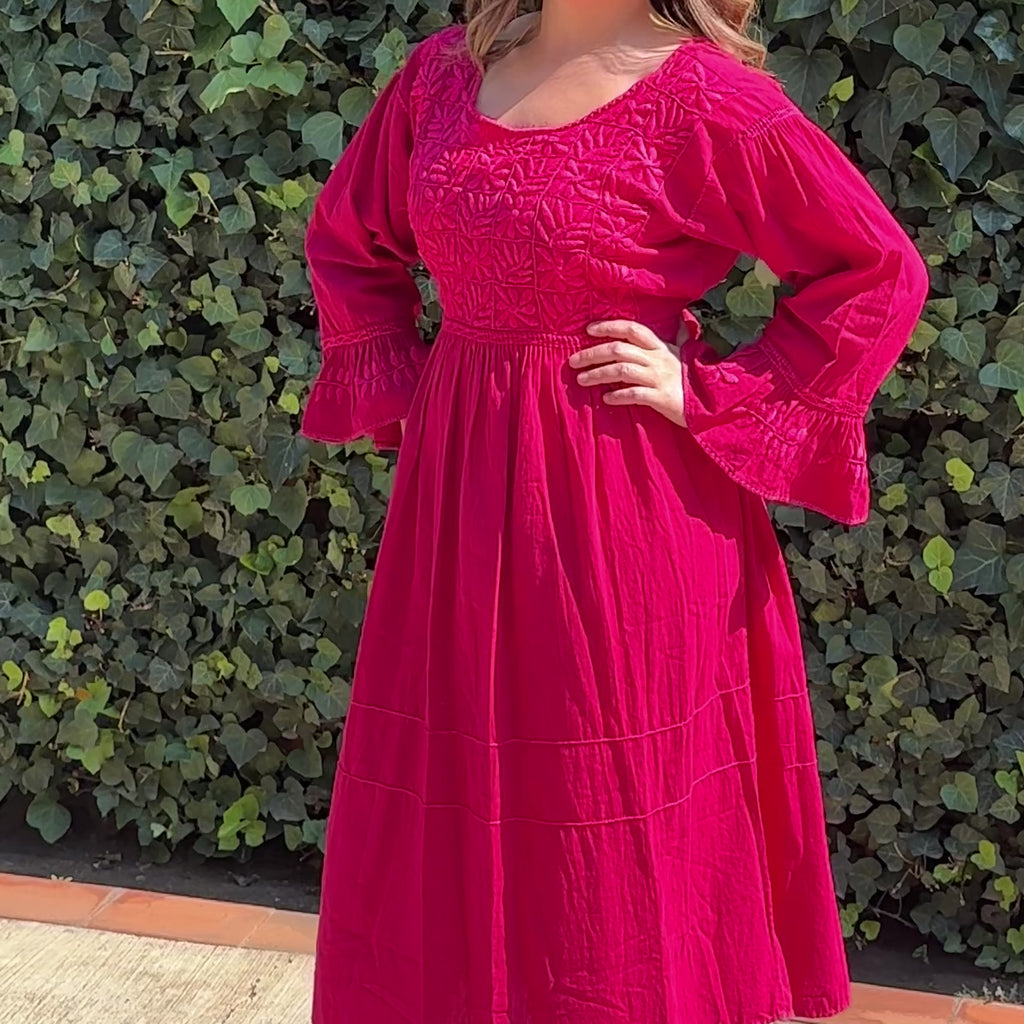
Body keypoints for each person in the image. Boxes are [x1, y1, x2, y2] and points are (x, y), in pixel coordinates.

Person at [298, 1, 930, 1021]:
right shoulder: (440, 77)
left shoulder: (709, 101)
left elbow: (875, 270)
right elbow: (346, 239)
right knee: (454, 783)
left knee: (610, 804)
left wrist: (716, 393)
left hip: (624, 506)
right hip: (459, 503)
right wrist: (405, 392)